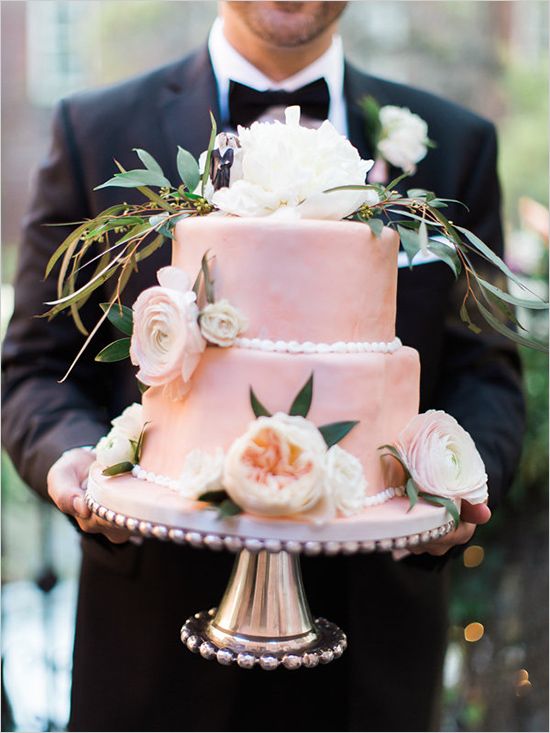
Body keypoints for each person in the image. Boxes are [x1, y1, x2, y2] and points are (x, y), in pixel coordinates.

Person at [2, 2, 524, 731]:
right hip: (151, 646)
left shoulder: (455, 146)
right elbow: (34, 366)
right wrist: (79, 460)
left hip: (372, 656)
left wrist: (457, 485)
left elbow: (486, 372)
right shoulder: (96, 133)